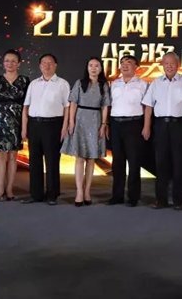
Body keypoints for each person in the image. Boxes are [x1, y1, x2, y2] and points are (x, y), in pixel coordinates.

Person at [142, 52, 182, 210]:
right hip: (160, 125)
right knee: (161, 163)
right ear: (162, 65)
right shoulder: (156, 83)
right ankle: (161, 200)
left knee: (179, 163)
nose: (169, 66)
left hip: (179, 125)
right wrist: (146, 126)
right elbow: (148, 106)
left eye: (172, 63)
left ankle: (178, 201)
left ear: (178, 65)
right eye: (166, 63)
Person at [61, 57, 110, 207]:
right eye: (91, 65)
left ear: (101, 68)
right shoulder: (79, 83)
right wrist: (71, 122)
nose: (93, 68)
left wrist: (103, 125)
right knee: (80, 158)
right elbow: (73, 103)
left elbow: (105, 106)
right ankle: (79, 192)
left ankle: (87, 191)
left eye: (97, 66)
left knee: (91, 159)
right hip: (80, 120)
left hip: (95, 121)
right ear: (87, 68)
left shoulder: (104, 85)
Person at [21, 54, 69, 205]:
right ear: (40, 66)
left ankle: (52, 195)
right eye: (44, 63)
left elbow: (67, 107)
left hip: (53, 125)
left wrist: (65, 127)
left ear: (55, 65)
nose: (47, 66)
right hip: (34, 125)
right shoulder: (34, 84)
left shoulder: (62, 84)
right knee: (34, 161)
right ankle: (36, 194)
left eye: (50, 63)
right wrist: (24, 127)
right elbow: (26, 106)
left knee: (52, 161)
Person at [0, 49, 30, 202]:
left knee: (13, 156)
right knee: (1, 156)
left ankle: (10, 189)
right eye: (7, 61)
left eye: (13, 61)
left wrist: (24, 127)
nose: (9, 63)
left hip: (18, 121)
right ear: (3, 63)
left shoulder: (25, 81)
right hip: (0, 121)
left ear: (19, 63)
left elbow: (26, 105)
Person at [108, 55, 147, 207]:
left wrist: (146, 126)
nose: (124, 65)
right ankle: (117, 195)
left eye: (129, 63)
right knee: (117, 162)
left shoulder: (143, 84)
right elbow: (109, 105)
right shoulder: (114, 84)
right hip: (116, 124)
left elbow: (147, 107)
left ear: (136, 67)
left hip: (134, 124)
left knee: (134, 161)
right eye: (122, 63)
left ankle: (133, 197)